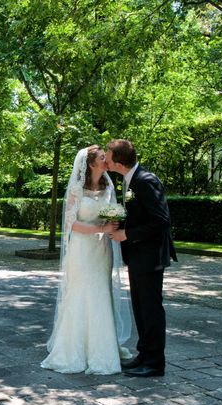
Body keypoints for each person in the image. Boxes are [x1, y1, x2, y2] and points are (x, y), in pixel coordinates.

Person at [41, 145, 132, 375]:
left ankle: (102, 349)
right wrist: (100, 227)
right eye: (103, 157)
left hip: (102, 250)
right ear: (92, 164)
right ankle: (74, 349)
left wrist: (114, 222)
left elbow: (113, 211)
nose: (107, 159)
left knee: (101, 293)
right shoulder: (76, 189)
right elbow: (71, 223)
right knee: (81, 294)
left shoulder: (108, 185)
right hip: (82, 250)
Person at [106, 139, 176, 378]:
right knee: (140, 307)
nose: (105, 158)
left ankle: (155, 363)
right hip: (138, 256)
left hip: (150, 256)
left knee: (151, 309)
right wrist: (120, 223)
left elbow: (161, 221)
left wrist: (127, 234)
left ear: (117, 160)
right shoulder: (130, 180)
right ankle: (144, 355)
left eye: (107, 154)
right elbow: (139, 215)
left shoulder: (146, 181)